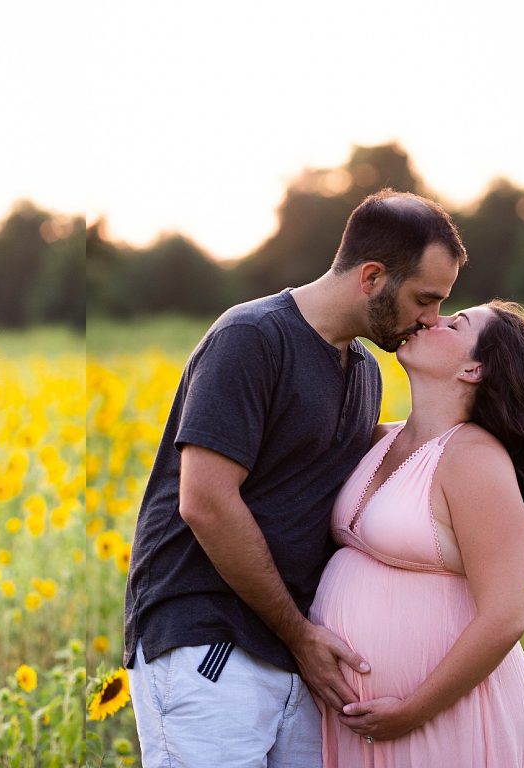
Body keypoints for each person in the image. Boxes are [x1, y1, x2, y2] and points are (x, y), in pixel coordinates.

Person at [124, 189, 468, 767]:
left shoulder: (363, 370)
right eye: (424, 299)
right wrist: (301, 635)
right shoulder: (253, 337)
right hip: (212, 640)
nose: (430, 320)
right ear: (373, 276)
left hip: (294, 655)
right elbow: (205, 502)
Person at [309, 301, 524, 767]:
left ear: (474, 369)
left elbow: (506, 616)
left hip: (445, 719)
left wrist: (412, 711)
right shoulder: (379, 438)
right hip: (358, 723)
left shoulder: (473, 458)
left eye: (456, 323)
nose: (432, 319)